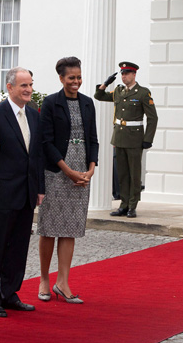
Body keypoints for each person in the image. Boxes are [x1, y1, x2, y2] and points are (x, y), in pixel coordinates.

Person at [0, 67, 45, 317]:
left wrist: (39, 187)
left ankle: (10, 293)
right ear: (10, 87)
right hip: (2, 191)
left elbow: (36, 155)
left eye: (30, 84)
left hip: (27, 192)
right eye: (23, 86)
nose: (29, 89)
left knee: (19, 246)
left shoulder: (34, 115)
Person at [37, 56, 98, 304]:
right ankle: (43, 279)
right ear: (61, 78)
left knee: (70, 228)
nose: (76, 81)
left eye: (79, 77)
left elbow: (93, 138)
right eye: (71, 77)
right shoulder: (51, 103)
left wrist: (90, 169)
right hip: (56, 170)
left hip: (82, 168)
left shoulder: (87, 103)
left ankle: (63, 282)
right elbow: (46, 142)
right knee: (49, 228)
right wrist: (67, 170)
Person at [94, 61, 158, 218]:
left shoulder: (142, 93)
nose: (124, 76)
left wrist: (147, 138)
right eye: (122, 74)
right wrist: (105, 83)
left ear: (134, 74)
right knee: (122, 174)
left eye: (127, 73)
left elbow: (153, 118)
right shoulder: (118, 91)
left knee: (134, 174)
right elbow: (99, 96)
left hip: (135, 138)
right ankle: (123, 205)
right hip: (120, 138)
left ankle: (132, 206)